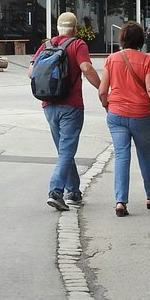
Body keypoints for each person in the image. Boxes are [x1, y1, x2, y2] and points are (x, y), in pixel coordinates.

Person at [28, 11, 101, 211]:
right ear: (75, 29)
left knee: (64, 151)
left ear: (58, 29)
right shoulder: (78, 45)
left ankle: (74, 192)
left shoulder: (47, 45)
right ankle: (56, 192)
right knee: (67, 151)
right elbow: (86, 68)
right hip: (71, 105)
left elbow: (31, 72)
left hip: (48, 104)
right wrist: (103, 89)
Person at [98, 22, 150, 217]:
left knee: (122, 156)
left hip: (116, 114)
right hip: (141, 116)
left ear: (122, 39)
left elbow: (102, 91)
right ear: (141, 40)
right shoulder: (146, 60)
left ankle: (121, 201)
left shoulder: (111, 59)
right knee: (145, 155)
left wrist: (108, 106)